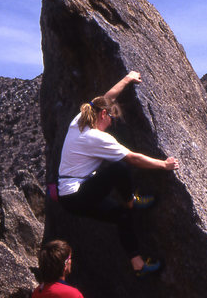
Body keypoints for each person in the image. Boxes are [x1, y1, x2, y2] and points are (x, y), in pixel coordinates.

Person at [58, 70, 179, 277]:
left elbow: (106, 98)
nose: (112, 123)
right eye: (111, 117)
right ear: (103, 115)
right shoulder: (96, 137)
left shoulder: (77, 122)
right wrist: (164, 165)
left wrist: (127, 79)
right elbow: (132, 158)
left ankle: (138, 265)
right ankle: (131, 200)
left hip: (69, 197)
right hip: (77, 195)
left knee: (122, 216)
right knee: (118, 167)